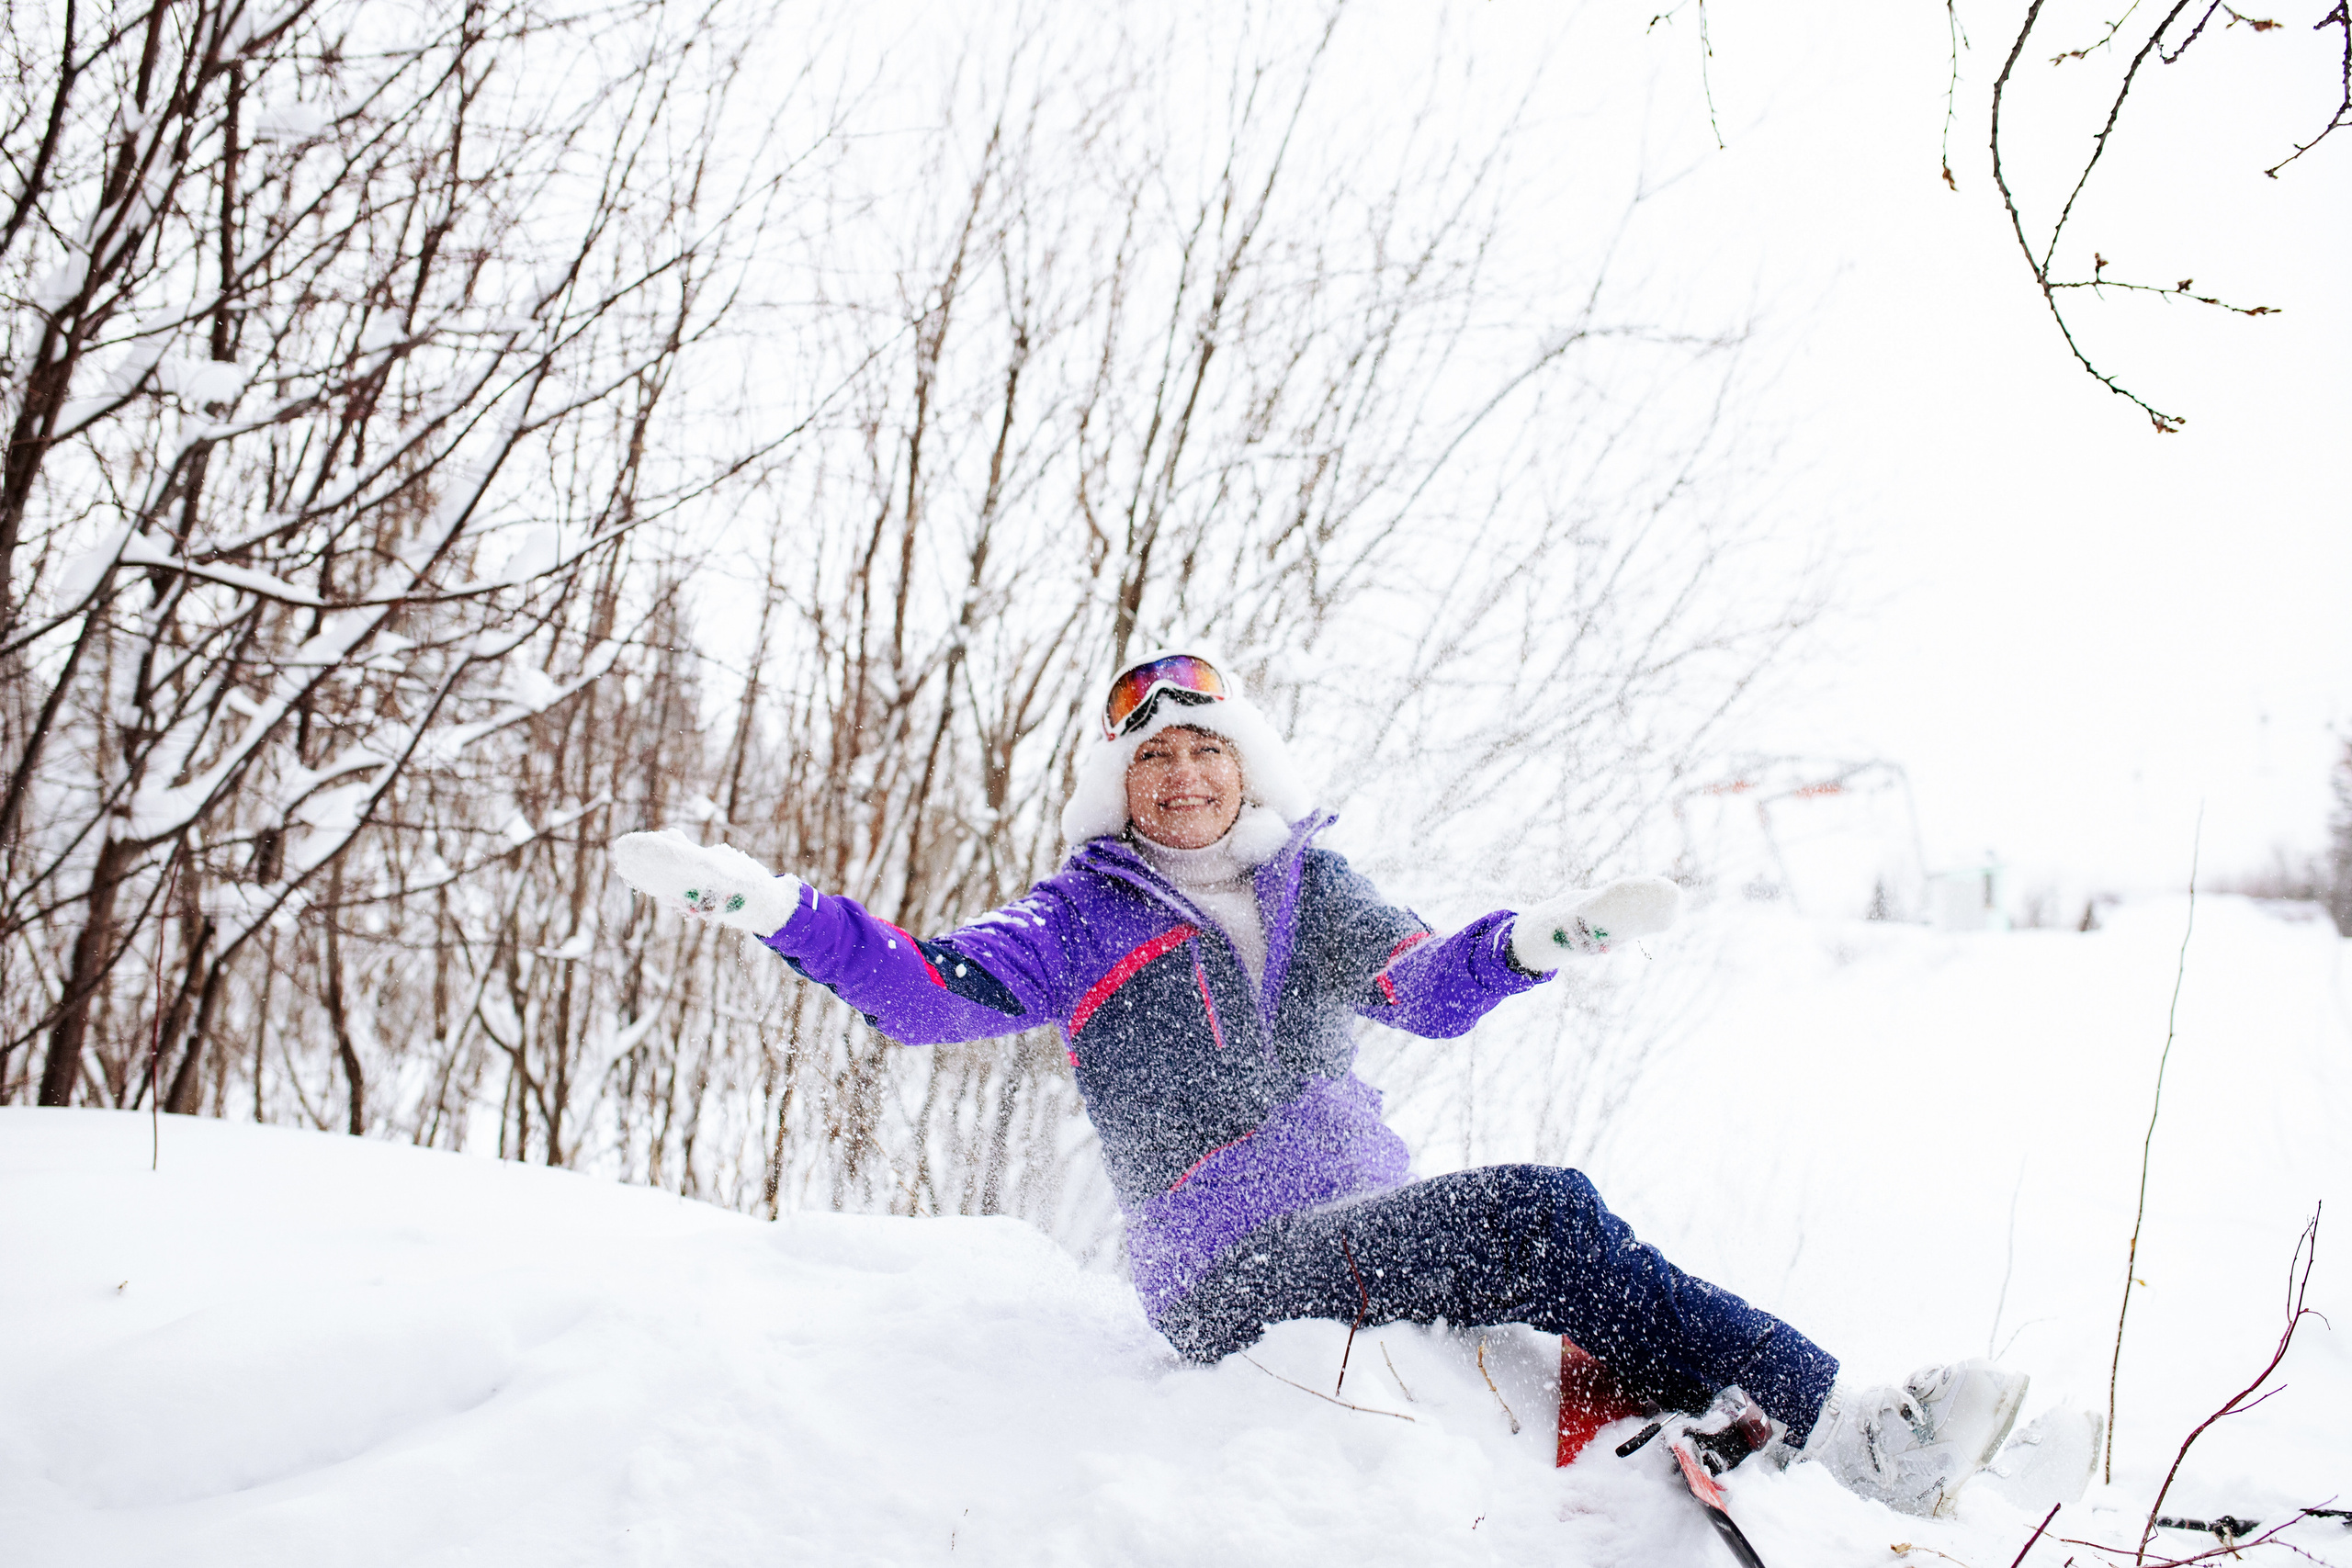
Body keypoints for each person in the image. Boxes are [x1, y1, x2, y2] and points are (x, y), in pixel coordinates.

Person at [613, 648, 2028, 1517]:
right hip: (1224, 1276)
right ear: (1120, 787)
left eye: (1203, 749)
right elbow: (925, 994)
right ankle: (1857, 1440)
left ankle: (1705, 1407)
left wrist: (1539, 940)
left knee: (1557, 1229)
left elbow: (1424, 987)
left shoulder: (1311, 890)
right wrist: (776, 913)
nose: (1179, 775)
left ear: (1247, 769)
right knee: (1543, 1215)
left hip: (1358, 1233)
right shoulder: (1080, 917)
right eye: (1152, 756)